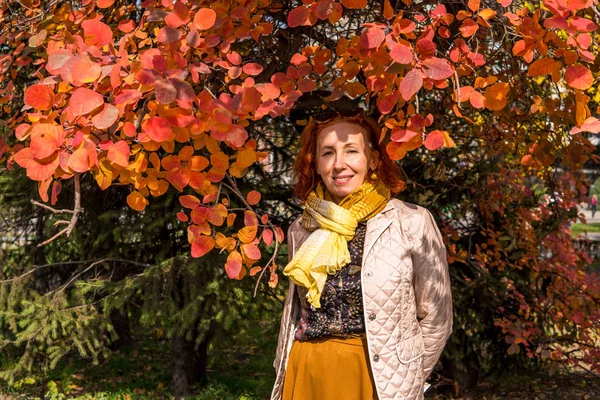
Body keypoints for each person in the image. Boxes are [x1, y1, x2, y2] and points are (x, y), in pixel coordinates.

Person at [271, 108, 453, 400]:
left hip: (376, 378)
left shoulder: (411, 222)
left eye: (351, 151)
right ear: (315, 164)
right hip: (306, 372)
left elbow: (437, 318)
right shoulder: (301, 228)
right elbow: (294, 315)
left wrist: (407, 377)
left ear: (373, 160)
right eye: (328, 153)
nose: (339, 164)